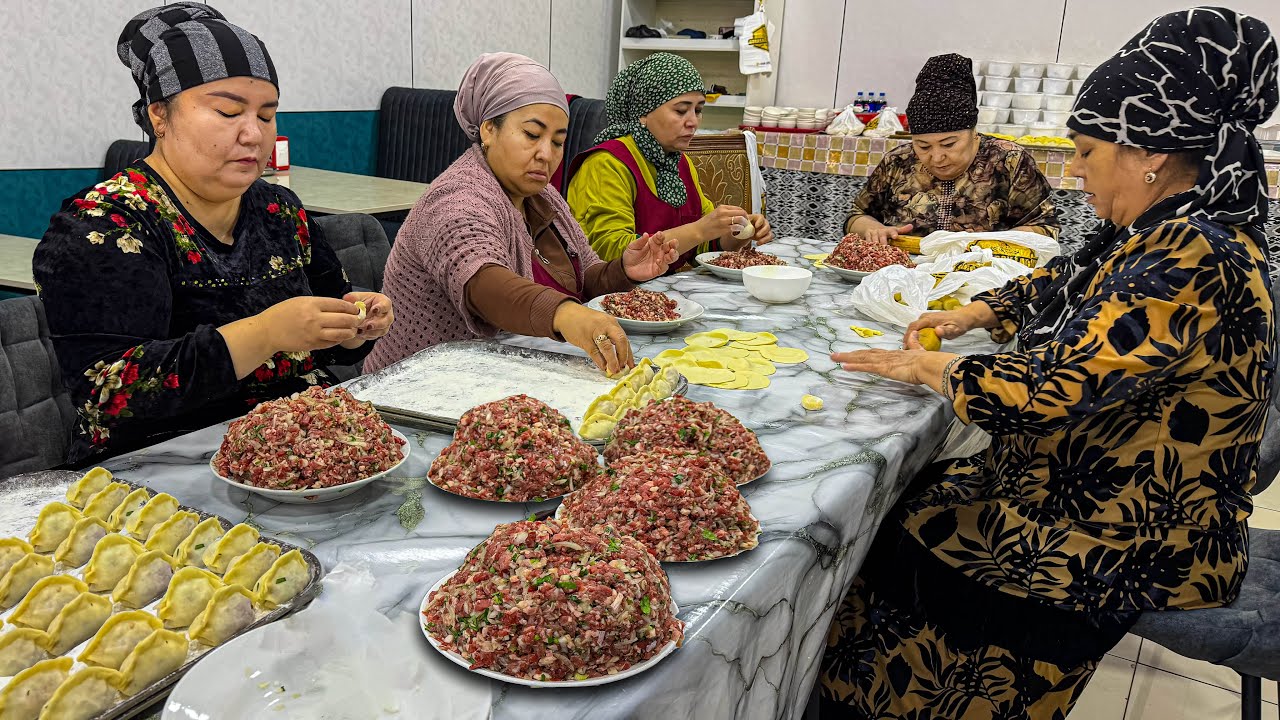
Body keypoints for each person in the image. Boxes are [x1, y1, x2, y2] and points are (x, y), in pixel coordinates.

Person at [821, 8, 1278, 718]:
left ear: (1147, 154)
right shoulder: (1171, 227)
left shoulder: (1193, 253)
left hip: (1130, 532)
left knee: (905, 546)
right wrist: (979, 312)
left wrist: (925, 370)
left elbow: (1047, 390)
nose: (1073, 170)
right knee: (914, 496)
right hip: (1105, 492)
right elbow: (1072, 279)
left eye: (1086, 151)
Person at [32, 2, 393, 464]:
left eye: (266, 116)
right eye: (227, 112)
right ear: (159, 115)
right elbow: (111, 393)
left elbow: (331, 323)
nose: (252, 134)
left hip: (301, 443)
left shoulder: (278, 209)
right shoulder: (106, 224)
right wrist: (264, 333)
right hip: (160, 465)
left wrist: (353, 324)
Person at [364, 53, 678, 376]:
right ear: (488, 130)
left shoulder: (544, 197)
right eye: (532, 134)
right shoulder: (457, 198)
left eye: (558, 142)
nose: (546, 154)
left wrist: (623, 270)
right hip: (413, 388)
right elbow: (485, 286)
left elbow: (586, 276)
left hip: (503, 378)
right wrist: (566, 315)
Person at [567, 53, 772, 268]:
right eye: (681, 110)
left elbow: (701, 247)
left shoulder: (679, 162)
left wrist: (736, 233)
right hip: (612, 296)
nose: (693, 121)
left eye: (698, 110)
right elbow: (612, 253)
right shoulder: (607, 164)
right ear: (643, 113)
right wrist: (699, 230)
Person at [846, 54, 1060, 244]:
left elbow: (1046, 229)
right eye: (923, 146)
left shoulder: (1009, 160)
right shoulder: (898, 161)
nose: (937, 157)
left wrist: (985, 243)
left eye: (949, 144)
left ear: (973, 131)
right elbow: (856, 216)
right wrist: (872, 229)